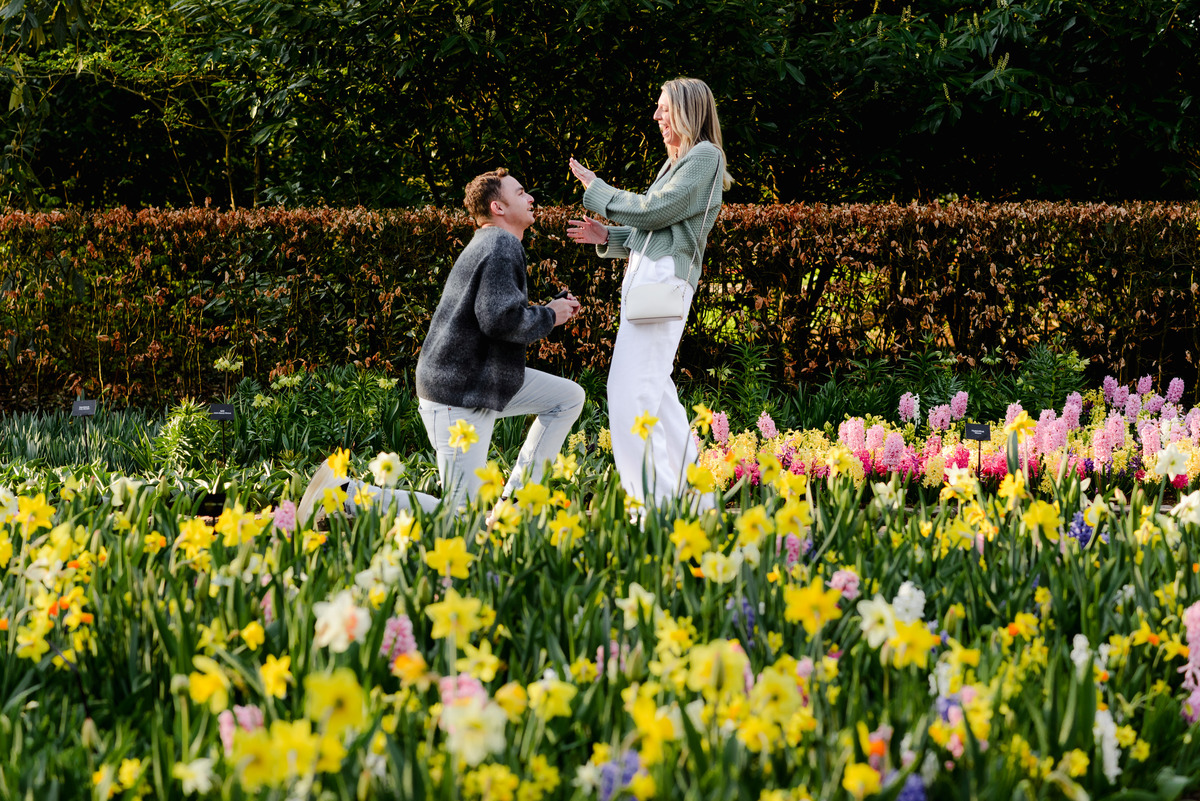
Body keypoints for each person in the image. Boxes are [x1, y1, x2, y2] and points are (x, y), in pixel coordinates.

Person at [299, 168, 584, 524]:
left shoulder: (491, 244)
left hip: (479, 378)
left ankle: (516, 504)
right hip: (458, 393)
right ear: (498, 206)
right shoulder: (501, 244)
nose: (531, 198)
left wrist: (547, 311)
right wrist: (550, 315)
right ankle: (347, 495)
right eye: (521, 192)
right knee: (462, 519)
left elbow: (494, 314)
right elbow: (499, 321)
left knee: (567, 398)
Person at [566, 77, 730, 507]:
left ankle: (650, 507)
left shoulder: (705, 156)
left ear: (687, 111)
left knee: (628, 397)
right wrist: (611, 237)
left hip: (661, 289)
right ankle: (695, 499)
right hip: (649, 288)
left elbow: (658, 211)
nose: (656, 116)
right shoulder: (676, 163)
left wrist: (598, 192)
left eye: (663, 108)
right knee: (656, 396)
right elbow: (659, 230)